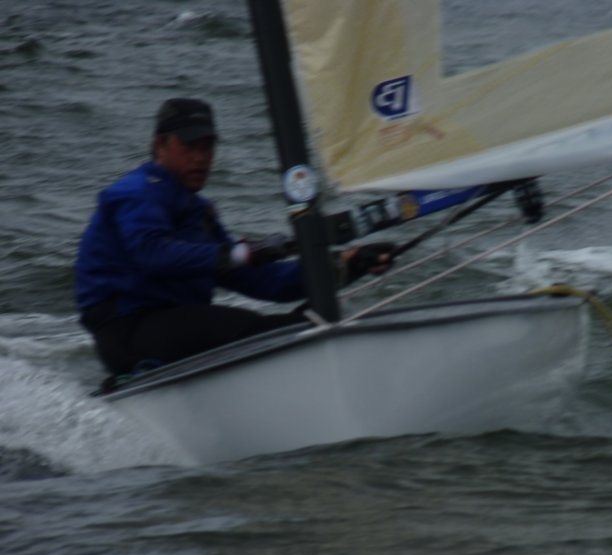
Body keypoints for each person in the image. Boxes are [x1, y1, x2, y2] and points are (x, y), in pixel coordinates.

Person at [75, 97, 394, 376]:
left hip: (172, 327)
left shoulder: (197, 212)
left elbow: (263, 282)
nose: (200, 157)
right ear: (160, 145)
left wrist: (344, 265)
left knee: (304, 323)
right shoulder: (136, 192)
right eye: (189, 146)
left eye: (208, 146)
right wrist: (239, 254)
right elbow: (152, 254)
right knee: (266, 332)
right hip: (128, 331)